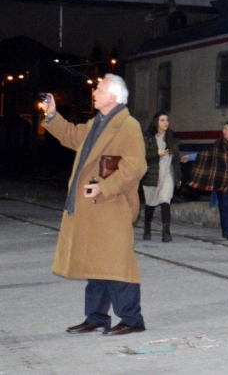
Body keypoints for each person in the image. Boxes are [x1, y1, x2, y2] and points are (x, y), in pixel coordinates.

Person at [41, 74, 148, 336]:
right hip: (94, 207)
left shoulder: (128, 125)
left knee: (118, 265)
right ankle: (97, 317)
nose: (95, 93)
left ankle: (132, 320)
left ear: (113, 95)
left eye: (99, 89)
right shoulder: (97, 122)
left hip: (113, 204)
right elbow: (71, 135)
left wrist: (105, 187)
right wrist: (53, 116)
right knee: (97, 264)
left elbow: (136, 166)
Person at [182, 121, 228, 240]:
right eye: (223, 129)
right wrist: (189, 157)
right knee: (224, 205)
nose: (223, 131)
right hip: (222, 181)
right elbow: (205, 154)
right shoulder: (219, 144)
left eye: (226, 129)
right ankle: (227, 230)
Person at [141, 111, 181, 242]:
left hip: (167, 175)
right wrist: (156, 153)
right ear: (156, 122)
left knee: (165, 200)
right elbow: (142, 156)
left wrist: (178, 177)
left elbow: (176, 160)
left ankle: (166, 232)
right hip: (152, 175)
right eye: (162, 120)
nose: (165, 123)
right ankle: (147, 229)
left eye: (167, 120)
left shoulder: (172, 139)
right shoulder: (149, 138)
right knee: (150, 203)